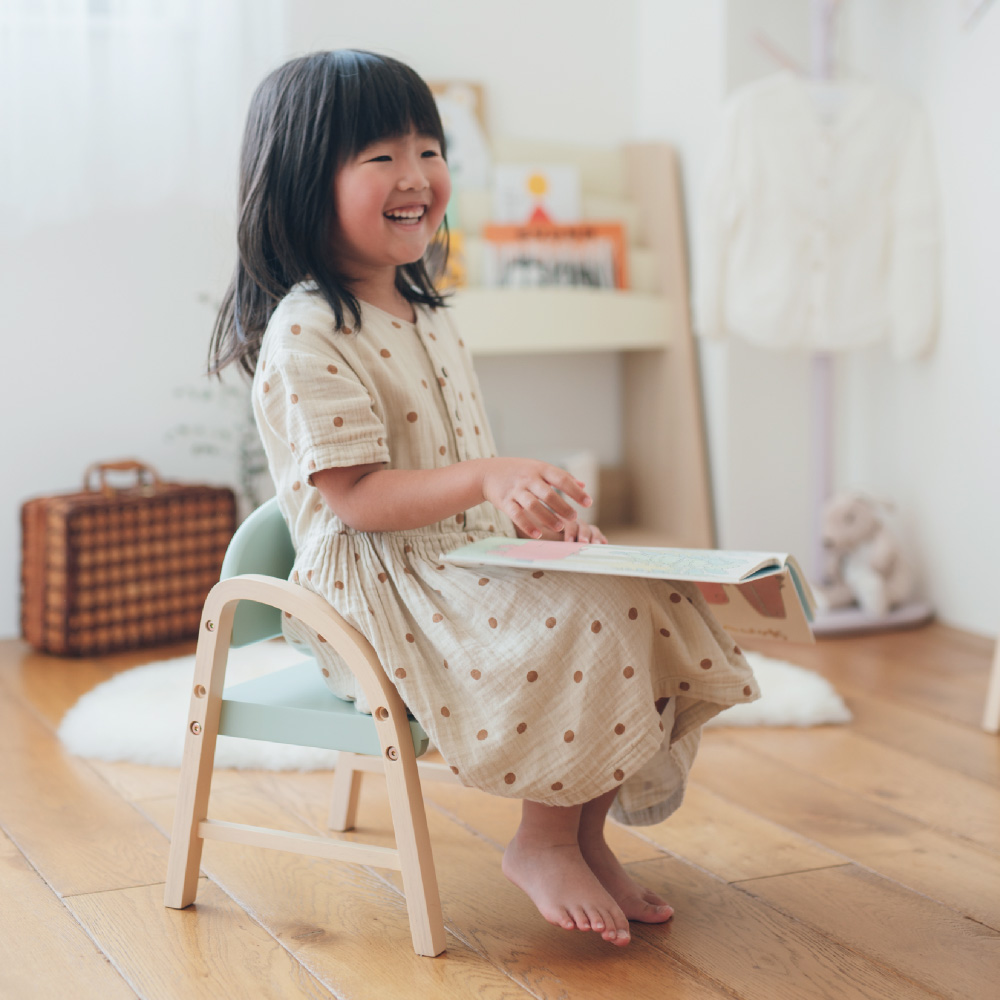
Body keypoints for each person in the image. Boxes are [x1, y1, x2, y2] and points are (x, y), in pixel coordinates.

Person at [209, 49, 759, 947]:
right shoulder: (307, 329)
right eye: (380, 156)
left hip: (453, 556)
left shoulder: (428, 313)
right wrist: (485, 478)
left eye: (430, 148)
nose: (417, 175)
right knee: (590, 614)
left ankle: (583, 833)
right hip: (378, 589)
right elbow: (357, 500)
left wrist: (532, 509)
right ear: (304, 180)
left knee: (634, 586)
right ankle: (543, 840)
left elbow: (455, 464)